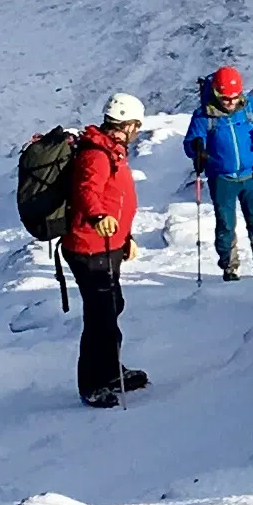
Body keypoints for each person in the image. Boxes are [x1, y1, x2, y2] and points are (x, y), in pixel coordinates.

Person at [65, 90, 152, 408]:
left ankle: (109, 369)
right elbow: (87, 189)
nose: (137, 132)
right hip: (89, 246)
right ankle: (92, 383)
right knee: (100, 314)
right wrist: (98, 216)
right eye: (137, 126)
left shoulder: (110, 149)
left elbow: (115, 197)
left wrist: (124, 237)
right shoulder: (97, 153)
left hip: (107, 243)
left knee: (111, 307)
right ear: (129, 124)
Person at [180, 62, 253, 279]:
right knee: (226, 224)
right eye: (225, 98)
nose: (230, 102)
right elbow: (190, 143)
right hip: (222, 178)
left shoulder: (250, 107)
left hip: (251, 174)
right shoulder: (203, 115)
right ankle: (229, 267)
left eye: (234, 97)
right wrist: (196, 149)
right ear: (216, 92)